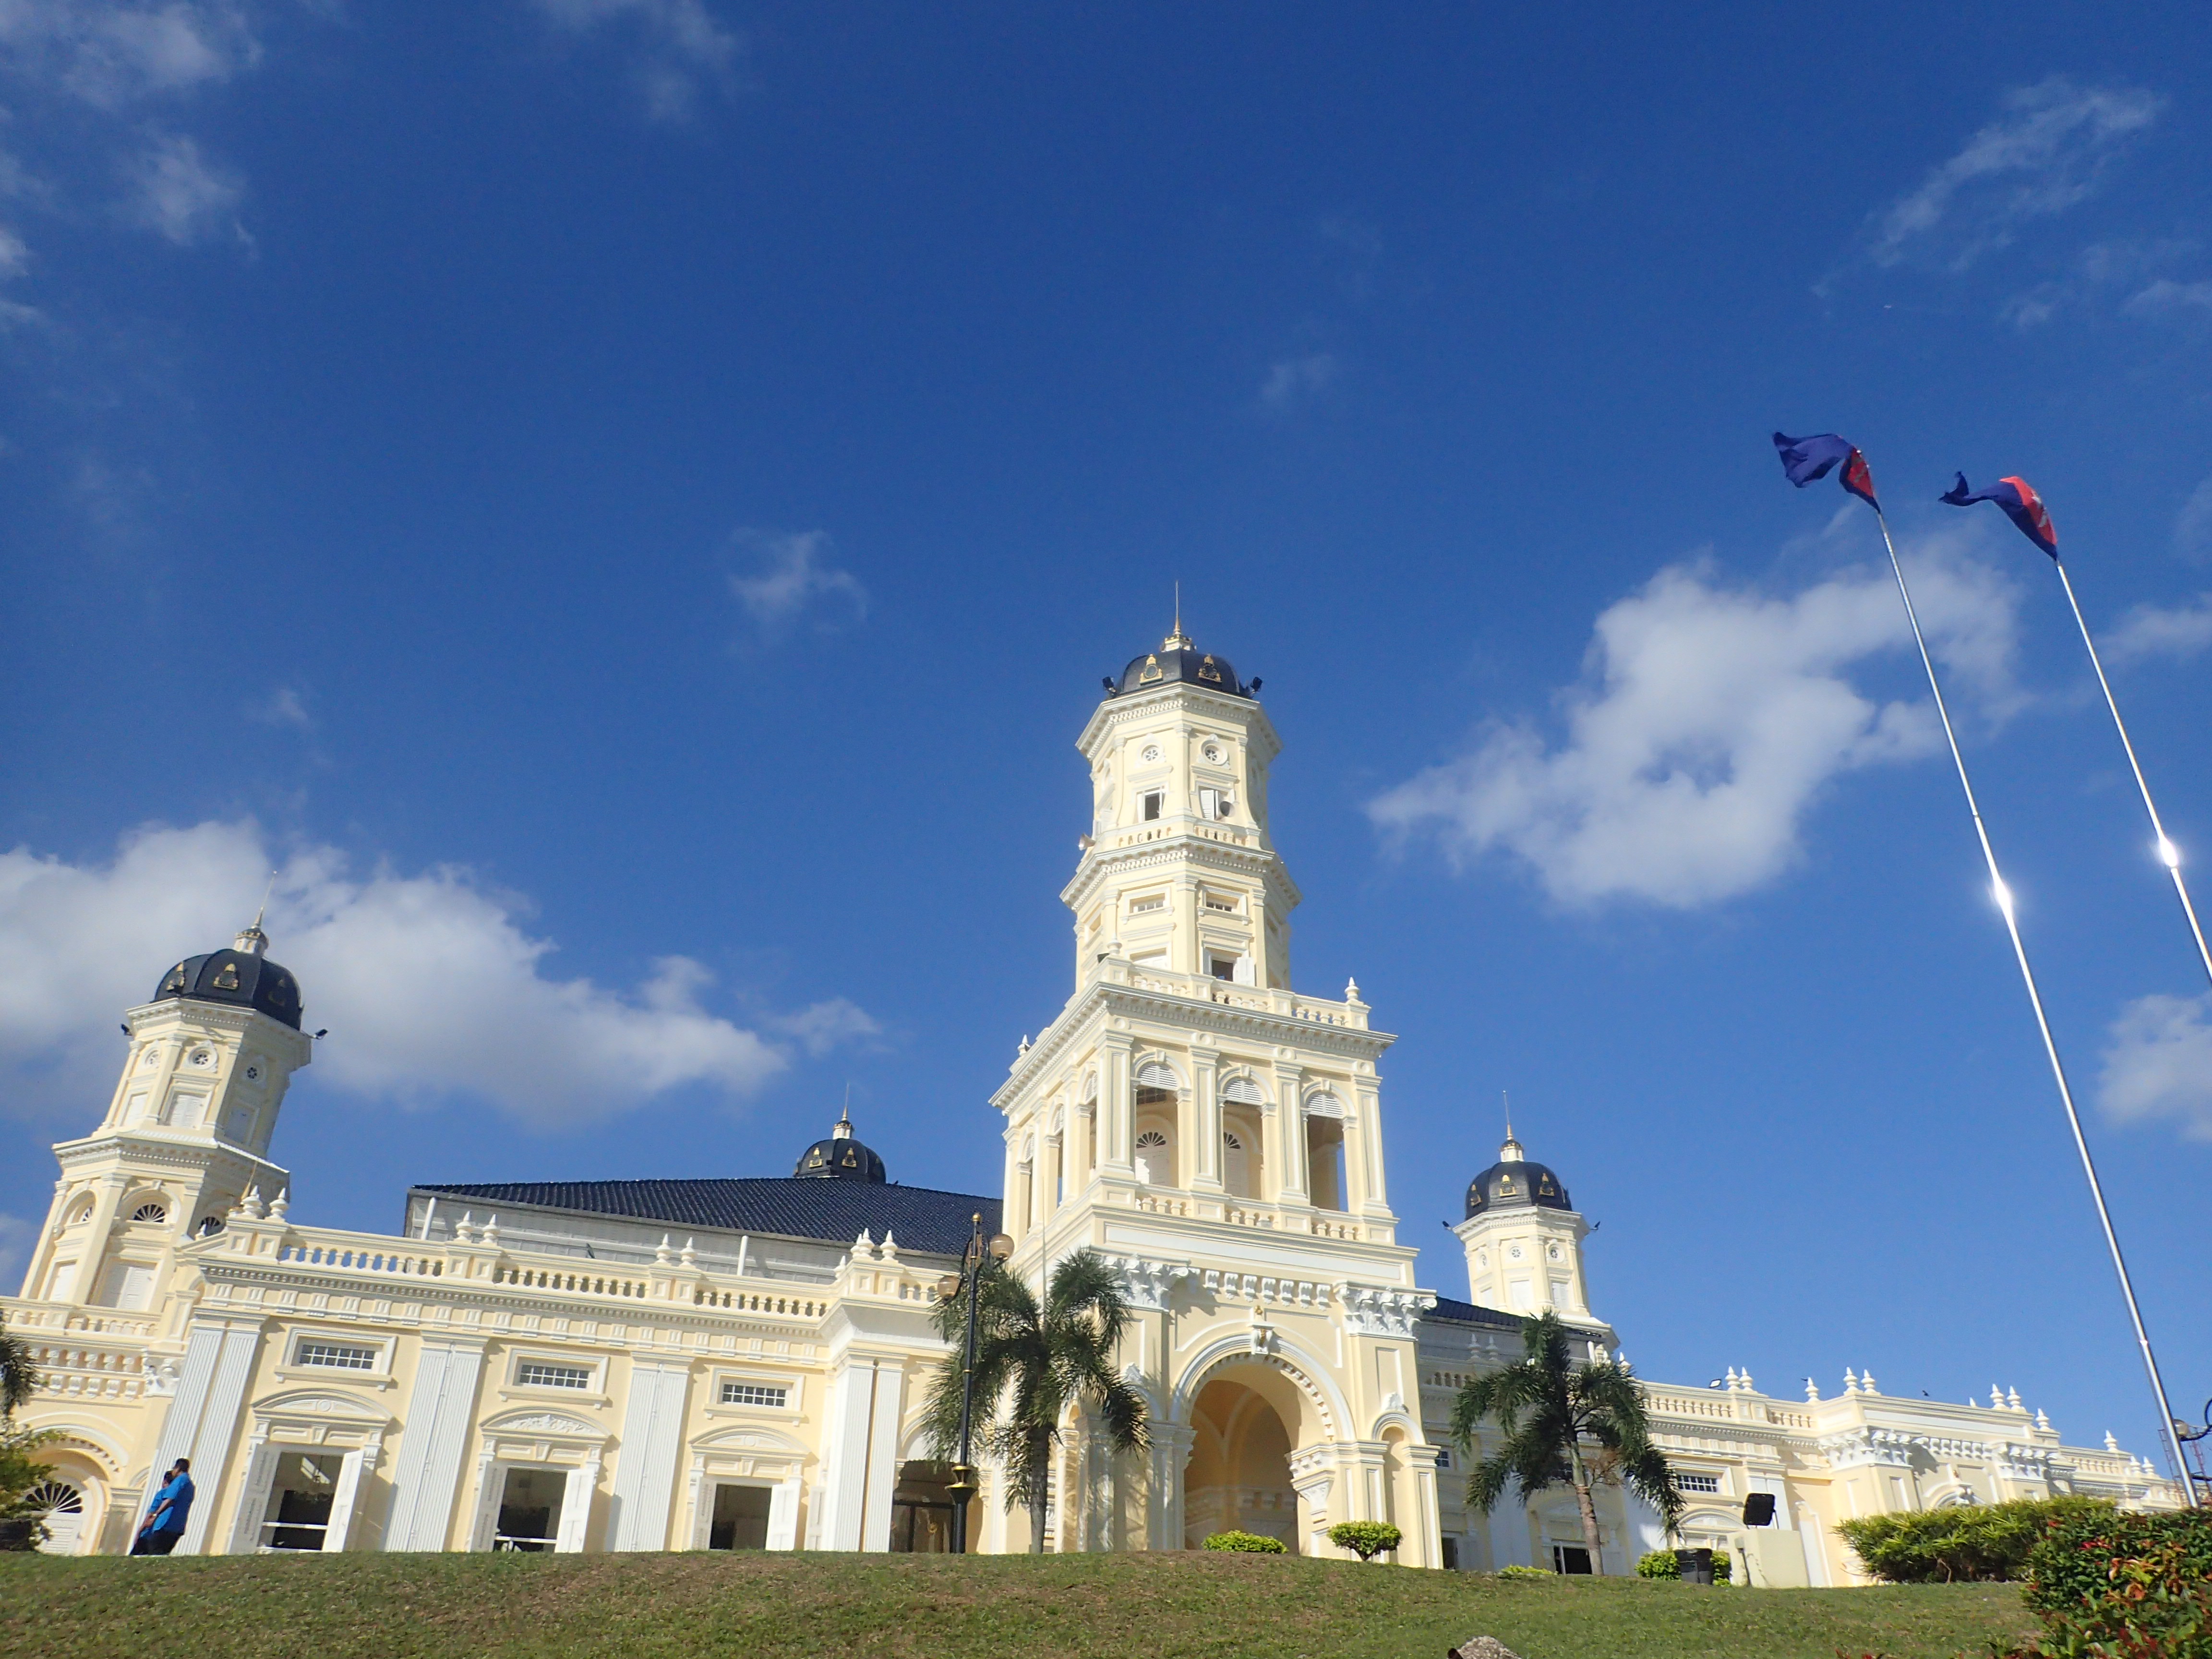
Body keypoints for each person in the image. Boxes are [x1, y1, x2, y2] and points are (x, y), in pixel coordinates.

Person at [131, 1459, 194, 1556]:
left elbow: (169, 1499)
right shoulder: (191, 1485)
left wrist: (156, 1515)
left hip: (166, 1523)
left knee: (154, 1551)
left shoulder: (180, 1480)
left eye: (174, 1469)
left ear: (178, 1469)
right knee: (163, 1553)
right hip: (178, 1527)